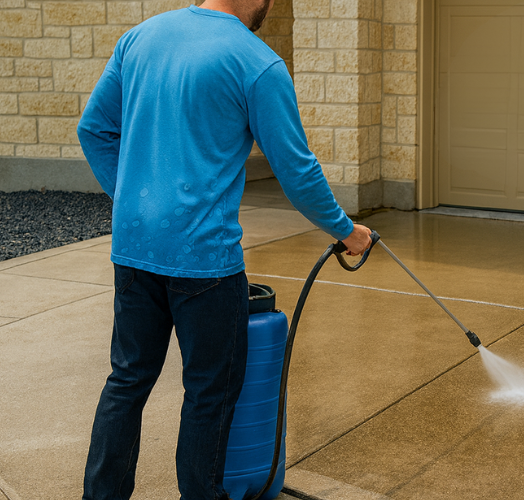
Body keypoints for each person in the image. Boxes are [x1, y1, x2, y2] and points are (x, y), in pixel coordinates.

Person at [76, 0, 372, 496]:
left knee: (127, 382)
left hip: (133, 251)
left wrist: (133, 201)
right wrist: (348, 232)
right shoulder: (257, 63)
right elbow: (297, 171)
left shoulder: (140, 38)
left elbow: (94, 129)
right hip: (205, 266)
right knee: (209, 396)